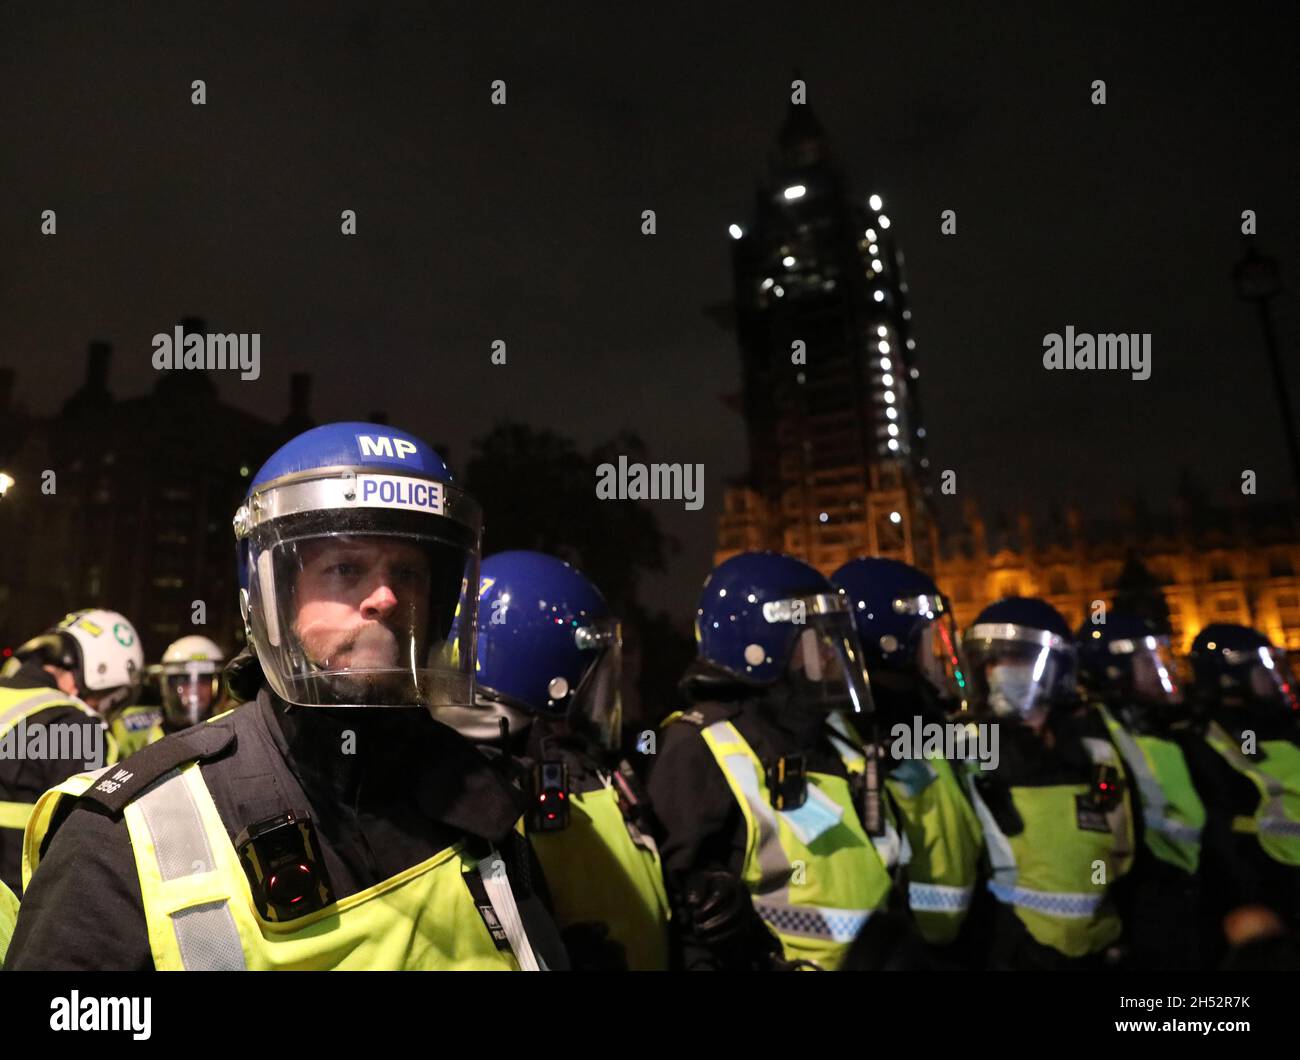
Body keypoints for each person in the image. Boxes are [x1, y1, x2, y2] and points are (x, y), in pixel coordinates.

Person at [5, 422, 567, 970]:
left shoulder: (483, 804)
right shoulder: (128, 834)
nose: (386, 597)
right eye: (345, 568)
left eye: (408, 573)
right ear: (272, 598)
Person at [648, 550, 902, 971]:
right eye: (816, 638)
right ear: (762, 646)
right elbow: (689, 919)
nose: (830, 653)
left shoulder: (832, 736)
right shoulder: (700, 745)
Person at [445, 549, 671, 970]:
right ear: (548, 673)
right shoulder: (480, 788)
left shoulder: (590, 765)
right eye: (596, 668)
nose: (611, 685)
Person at [961, 597, 1135, 970]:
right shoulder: (964, 748)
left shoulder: (1098, 749)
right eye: (992, 661)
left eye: (1017, 659)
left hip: (1101, 951)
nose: (1000, 671)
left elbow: (1124, 856)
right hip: (1008, 955)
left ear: (1059, 668)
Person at [830, 557, 983, 962]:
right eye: (926, 638)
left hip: (960, 943)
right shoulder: (854, 733)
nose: (934, 653)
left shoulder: (924, 719)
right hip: (900, 950)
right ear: (890, 642)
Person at [1076, 612, 1207, 967]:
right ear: (1114, 671)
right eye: (1147, 662)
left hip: (1189, 891)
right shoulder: (1095, 734)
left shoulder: (1168, 726)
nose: (1160, 670)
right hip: (1145, 904)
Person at [0, 609, 140, 892]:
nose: (103, 707)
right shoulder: (76, 727)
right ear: (95, 672)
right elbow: (85, 852)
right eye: (109, 697)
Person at [1182, 623, 1300, 943]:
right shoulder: (1218, 738)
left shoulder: (1279, 724)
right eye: (1264, 670)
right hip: (1272, 892)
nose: (1276, 679)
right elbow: (1224, 835)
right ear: (1233, 680)